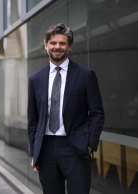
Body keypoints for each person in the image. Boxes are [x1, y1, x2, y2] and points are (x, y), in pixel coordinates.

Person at [27, 23, 104, 194]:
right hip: (46, 150)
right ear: (46, 45)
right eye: (53, 43)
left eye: (62, 43)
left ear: (69, 46)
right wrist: (35, 152)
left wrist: (90, 143)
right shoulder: (35, 80)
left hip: (76, 148)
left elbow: (97, 113)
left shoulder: (85, 75)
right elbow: (33, 120)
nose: (57, 47)